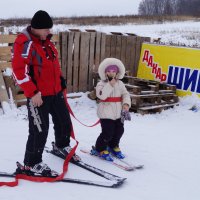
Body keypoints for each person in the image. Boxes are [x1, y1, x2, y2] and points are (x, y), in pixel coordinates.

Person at [12, 10, 79, 177]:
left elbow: (53, 66)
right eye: (46, 29)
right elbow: (19, 72)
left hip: (55, 92)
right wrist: (33, 92)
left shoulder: (47, 42)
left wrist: (61, 80)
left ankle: (61, 146)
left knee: (64, 121)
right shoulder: (25, 43)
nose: (49, 32)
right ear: (36, 28)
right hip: (38, 96)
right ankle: (31, 163)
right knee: (39, 130)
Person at [91, 58, 131, 161]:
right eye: (109, 71)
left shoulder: (120, 84)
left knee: (119, 131)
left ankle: (113, 146)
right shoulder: (101, 84)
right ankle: (100, 148)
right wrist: (110, 84)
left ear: (117, 72)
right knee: (107, 132)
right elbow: (102, 96)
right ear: (105, 72)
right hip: (106, 113)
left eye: (113, 71)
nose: (111, 73)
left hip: (119, 113)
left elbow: (125, 94)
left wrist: (126, 103)